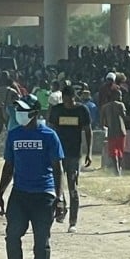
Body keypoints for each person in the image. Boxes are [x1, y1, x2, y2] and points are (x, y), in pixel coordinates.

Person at [0, 96, 65, 259]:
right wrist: (0, 194)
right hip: (20, 194)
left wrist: (60, 198)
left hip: (44, 195)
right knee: (12, 236)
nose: (19, 114)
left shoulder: (49, 135)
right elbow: (9, 167)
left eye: (23, 110)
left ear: (34, 113)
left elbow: (58, 169)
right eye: (18, 110)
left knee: (41, 242)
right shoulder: (14, 135)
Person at [48, 83, 92, 232]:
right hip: (58, 154)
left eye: (70, 100)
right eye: (65, 100)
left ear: (74, 97)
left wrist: (89, 152)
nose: (67, 103)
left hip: (74, 154)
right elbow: (51, 130)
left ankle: (73, 221)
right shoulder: (57, 110)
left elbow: (88, 131)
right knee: (58, 186)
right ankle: (62, 208)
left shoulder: (82, 110)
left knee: (73, 187)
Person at [100, 88, 127, 176]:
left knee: (113, 152)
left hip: (111, 132)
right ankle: (119, 168)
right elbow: (124, 116)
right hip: (121, 131)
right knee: (120, 151)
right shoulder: (120, 105)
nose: (121, 97)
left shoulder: (104, 107)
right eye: (120, 95)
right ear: (115, 95)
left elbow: (102, 122)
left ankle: (116, 169)